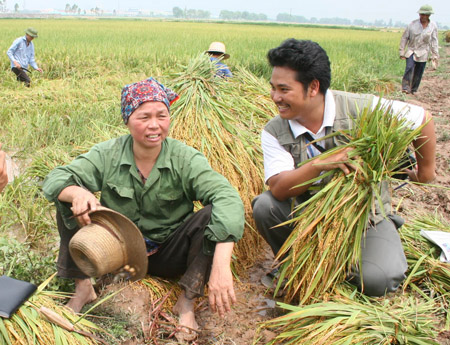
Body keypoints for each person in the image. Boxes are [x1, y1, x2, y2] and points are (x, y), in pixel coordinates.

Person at [43, 77, 244, 335]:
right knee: (68, 201)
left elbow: (226, 197)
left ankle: (186, 303)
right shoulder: (108, 153)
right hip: (118, 251)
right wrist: (78, 193)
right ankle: (83, 287)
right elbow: (55, 178)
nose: (154, 125)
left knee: (209, 215)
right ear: (127, 120)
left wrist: (221, 265)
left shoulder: (185, 158)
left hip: (168, 253)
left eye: (162, 116)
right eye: (144, 117)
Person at [252, 39, 436, 297]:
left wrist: (426, 172)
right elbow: (280, 189)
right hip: (307, 213)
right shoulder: (275, 130)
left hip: (366, 216)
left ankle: (346, 259)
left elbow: (422, 118)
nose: (275, 97)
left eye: (284, 89)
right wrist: (320, 164)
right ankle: (295, 263)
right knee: (265, 206)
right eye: (273, 88)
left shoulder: (362, 109)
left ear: (313, 87)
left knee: (378, 280)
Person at [399, 4, 439, 94]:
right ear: (419, 14)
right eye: (422, 14)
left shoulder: (432, 26)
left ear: (429, 15)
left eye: (426, 15)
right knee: (409, 67)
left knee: (419, 72)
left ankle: (414, 89)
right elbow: (404, 38)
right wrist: (401, 52)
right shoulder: (412, 25)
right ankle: (405, 88)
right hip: (411, 50)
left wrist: (435, 54)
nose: (424, 16)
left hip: (423, 52)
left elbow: (434, 41)